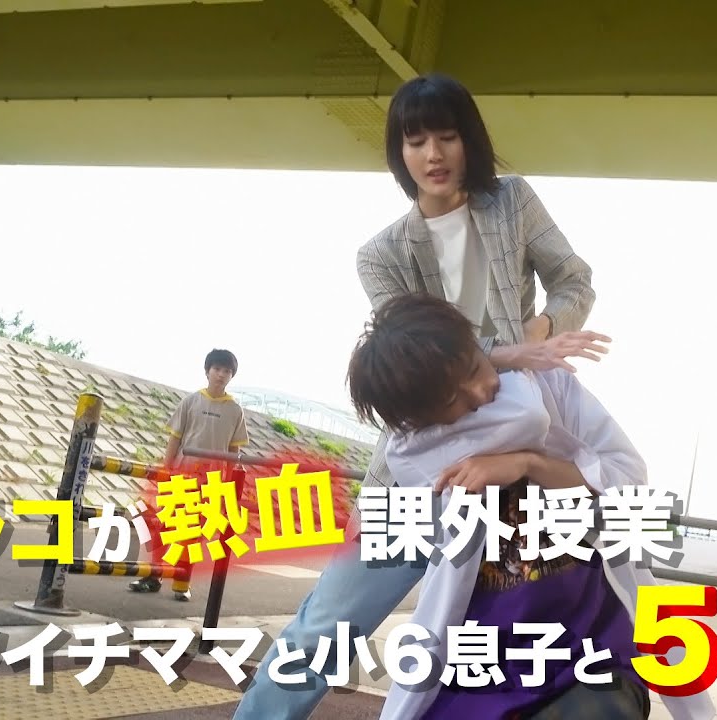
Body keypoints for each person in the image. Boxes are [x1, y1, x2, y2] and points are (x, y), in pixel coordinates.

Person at [234, 72, 609, 719]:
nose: (433, 154)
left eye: (447, 136)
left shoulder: (513, 202)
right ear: (398, 153)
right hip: (415, 470)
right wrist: (515, 353)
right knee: (326, 627)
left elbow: (575, 281)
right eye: (415, 141)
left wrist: (543, 331)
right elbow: (418, 361)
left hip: (513, 464)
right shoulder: (380, 255)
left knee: (513, 649)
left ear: (470, 141)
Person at [350, 294, 716, 720]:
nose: (481, 391)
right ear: (420, 419)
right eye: (453, 402)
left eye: (476, 367)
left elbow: (628, 480)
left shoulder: (549, 388)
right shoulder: (419, 454)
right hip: (484, 657)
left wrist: (529, 463)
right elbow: (512, 422)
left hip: (591, 650)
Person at [128, 348, 249, 600]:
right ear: (207, 371)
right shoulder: (191, 401)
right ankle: (153, 576)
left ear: (232, 376)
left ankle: (182, 583)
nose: (221, 375)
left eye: (227, 371)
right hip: (182, 474)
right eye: (217, 369)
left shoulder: (235, 410)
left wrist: (228, 484)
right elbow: (175, 438)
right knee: (165, 526)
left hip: (212, 481)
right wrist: (166, 469)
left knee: (194, 533)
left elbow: (234, 450)